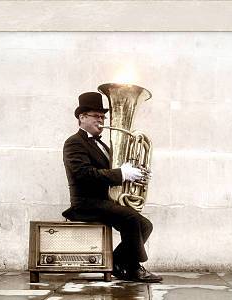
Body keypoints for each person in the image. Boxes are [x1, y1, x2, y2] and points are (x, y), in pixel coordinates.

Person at [61, 91, 163, 283]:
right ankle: (133, 268)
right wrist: (121, 173)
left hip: (103, 202)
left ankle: (116, 263)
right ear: (82, 117)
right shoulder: (74, 142)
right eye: (96, 116)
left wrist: (136, 175)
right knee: (130, 218)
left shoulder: (105, 147)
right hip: (86, 204)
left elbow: (111, 174)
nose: (101, 120)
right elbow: (84, 174)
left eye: (103, 116)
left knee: (145, 225)